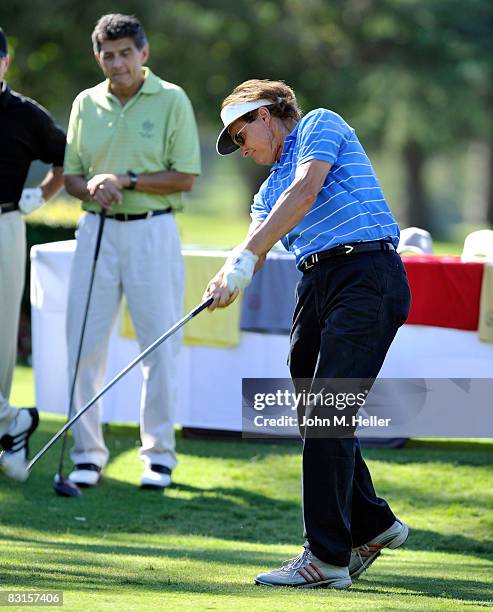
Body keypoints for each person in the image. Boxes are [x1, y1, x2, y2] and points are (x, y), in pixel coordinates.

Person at [204, 79, 412, 588]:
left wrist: (245, 257)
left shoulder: (320, 123)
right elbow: (257, 235)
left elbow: (306, 192)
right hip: (315, 282)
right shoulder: (267, 186)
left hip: (367, 274)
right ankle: (372, 524)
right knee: (316, 414)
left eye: (242, 132)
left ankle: (326, 558)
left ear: (268, 115)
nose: (242, 147)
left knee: (328, 411)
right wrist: (228, 275)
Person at [63, 14, 200, 490]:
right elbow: (71, 177)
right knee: (84, 346)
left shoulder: (172, 99)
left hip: (152, 232)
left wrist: (124, 180)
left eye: (125, 53)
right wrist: (92, 189)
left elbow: (185, 176)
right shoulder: (86, 102)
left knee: (158, 347)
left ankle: (158, 456)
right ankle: (87, 453)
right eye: (107, 54)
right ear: (98, 57)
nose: (116, 63)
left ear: (144, 53)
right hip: (97, 230)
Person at [0, 27, 65, 481]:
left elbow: (68, 159)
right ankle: (12, 421)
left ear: (4, 62)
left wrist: (41, 196)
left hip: (4, 223)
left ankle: (7, 434)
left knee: (1, 341)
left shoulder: (25, 114)